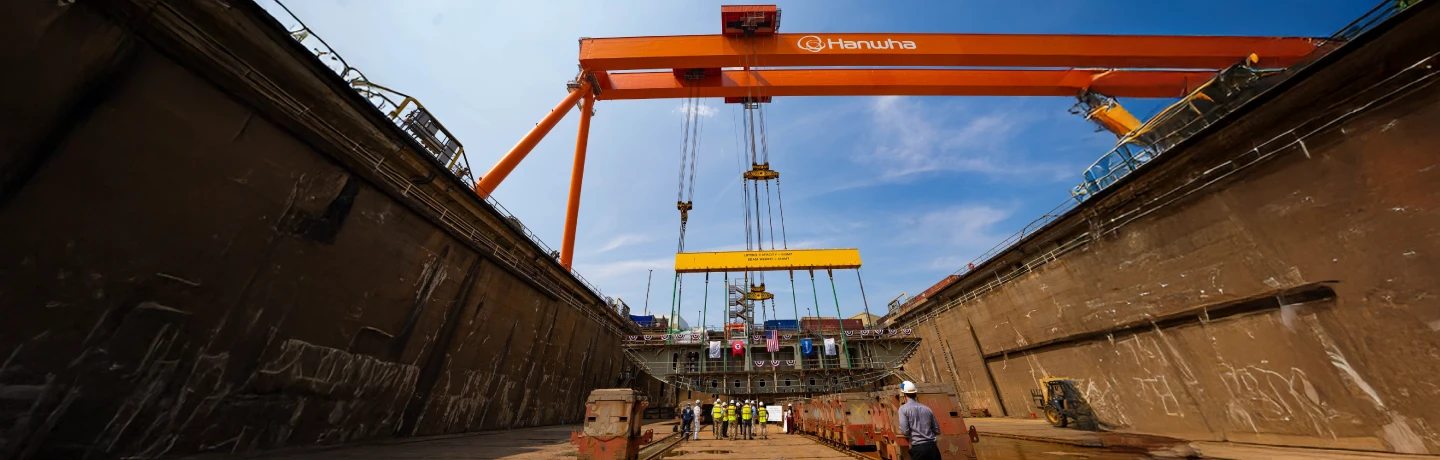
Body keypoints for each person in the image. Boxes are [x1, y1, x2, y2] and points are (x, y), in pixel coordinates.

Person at [897, 381, 941, 460]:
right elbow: (936, 430)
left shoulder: (903, 409)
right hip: (933, 448)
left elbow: (905, 431)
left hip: (918, 450)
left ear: (904, 394)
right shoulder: (927, 409)